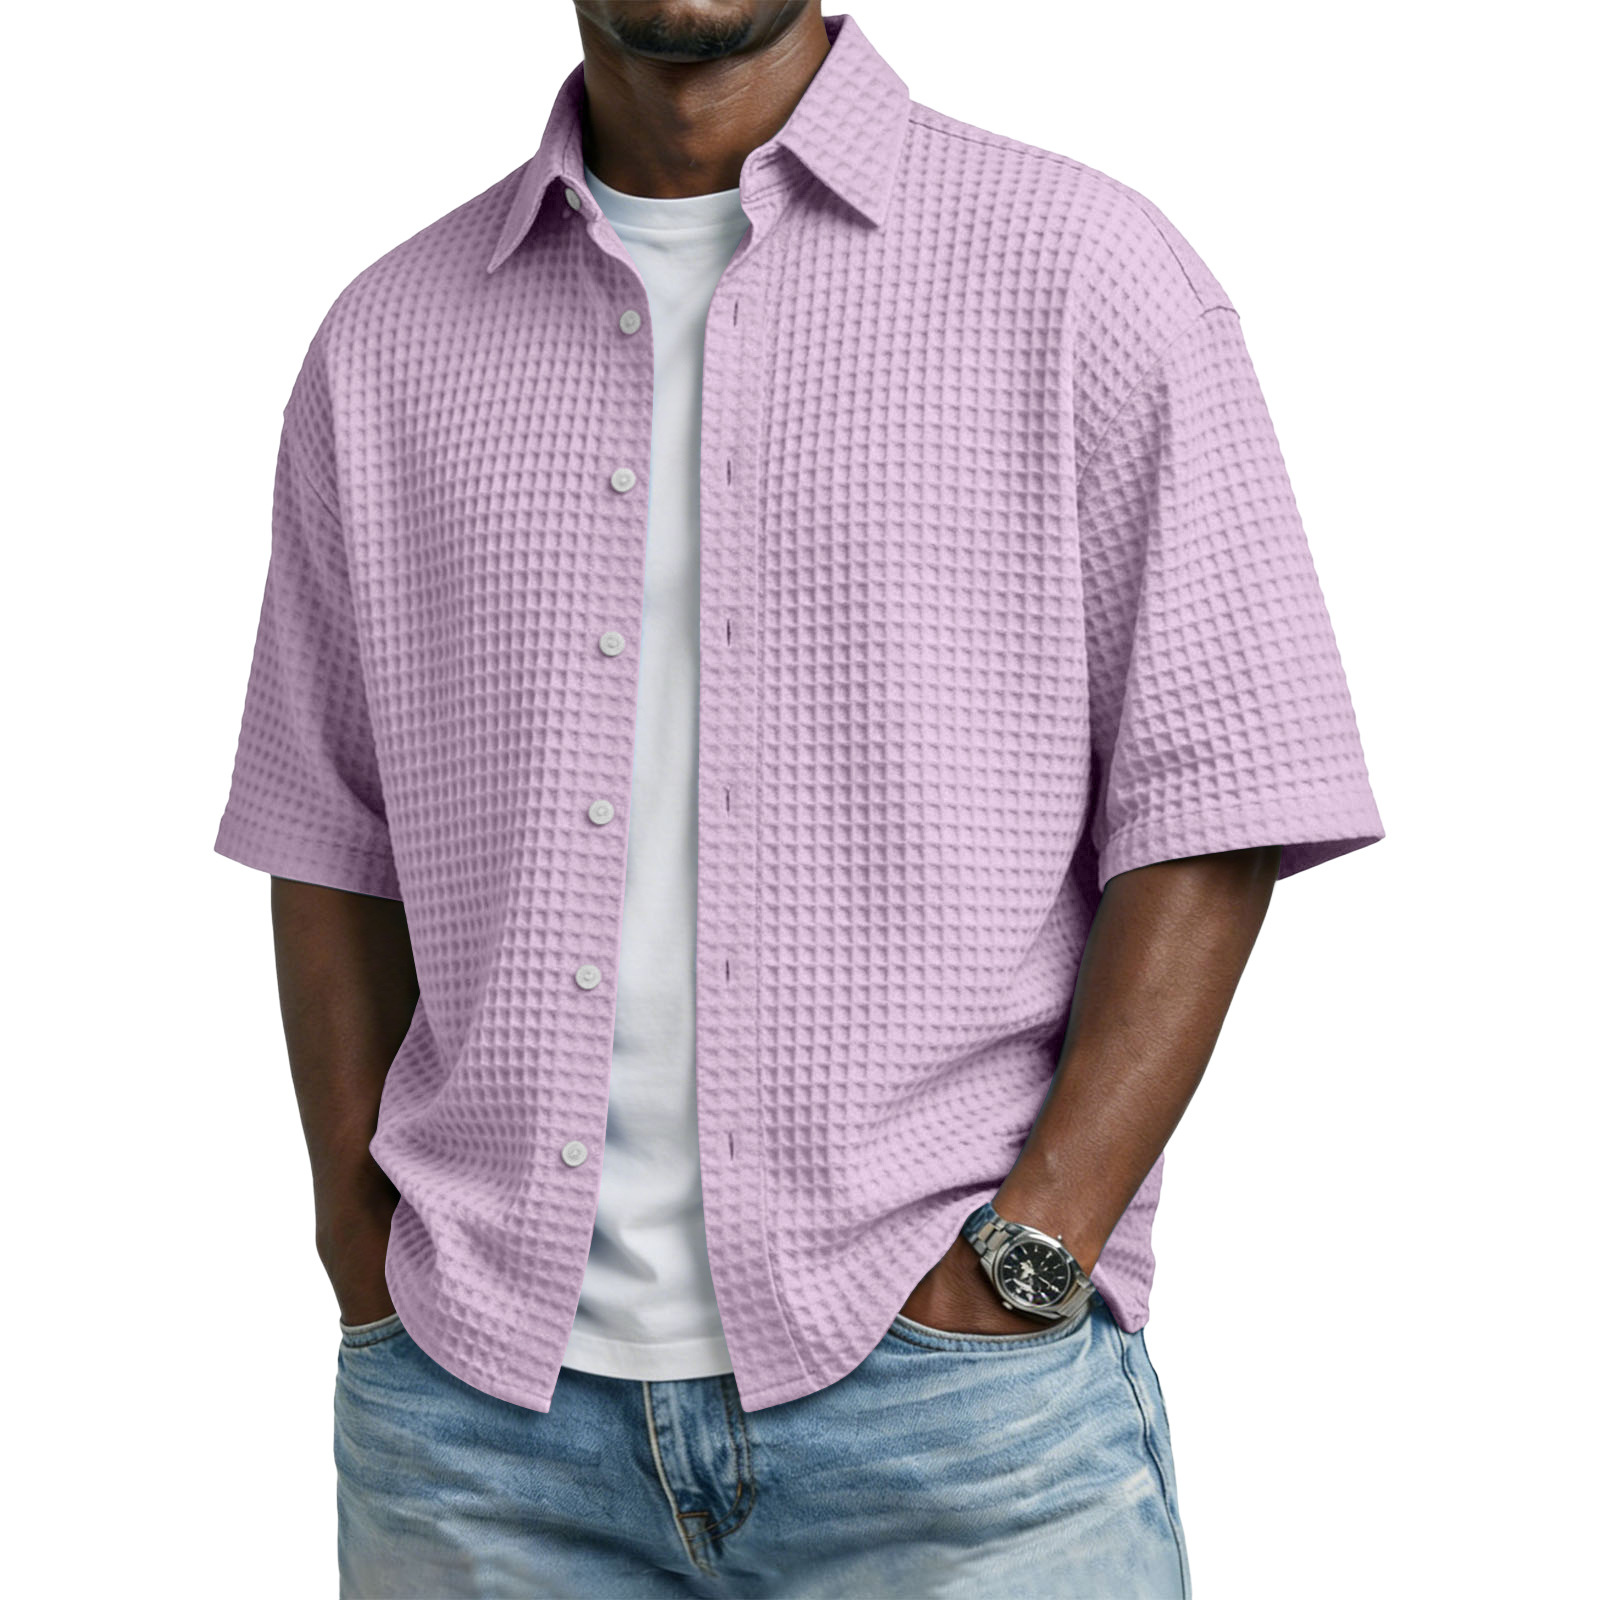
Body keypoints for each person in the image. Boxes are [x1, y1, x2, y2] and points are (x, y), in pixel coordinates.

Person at [213, 4, 1384, 1595]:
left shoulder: (1085, 273)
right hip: (478, 1431)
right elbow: (328, 834)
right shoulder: (388, 339)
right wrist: (364, 1263)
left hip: (958, 1420)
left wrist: (1034, 1250)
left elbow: (1217, 795)